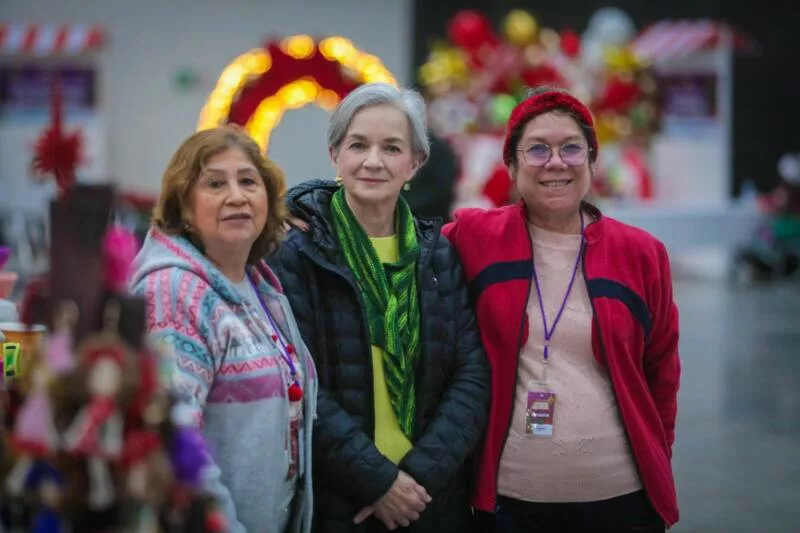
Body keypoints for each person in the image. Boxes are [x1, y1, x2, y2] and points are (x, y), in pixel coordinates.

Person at [442, 87, 681, 532]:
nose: (556, 162)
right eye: (537, 149)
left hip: (623, 500)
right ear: (511, 166)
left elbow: (662, 372)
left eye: (571, 148)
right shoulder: (477, 237)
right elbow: (397, 239)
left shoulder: (641, 253)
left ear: (591, 161)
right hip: (511, 505)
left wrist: (657, 454)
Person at [268, 83, 490, 532]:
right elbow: (297, 383)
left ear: (415, 163)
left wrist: (416, 479)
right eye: (358, 145)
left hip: (430, 500)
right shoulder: (298, 255)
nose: (373, 161)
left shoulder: (438, 254)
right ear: (335, 155)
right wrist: (378, 482)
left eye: (391, 147)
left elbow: (471, 374)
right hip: (341, 501)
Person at [130, 126, 317, 533]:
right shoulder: (173, 293)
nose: (237, 196)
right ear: (184, 207)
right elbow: (175, 441)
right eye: (215, 184)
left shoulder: (261, 287)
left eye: (248, 181)